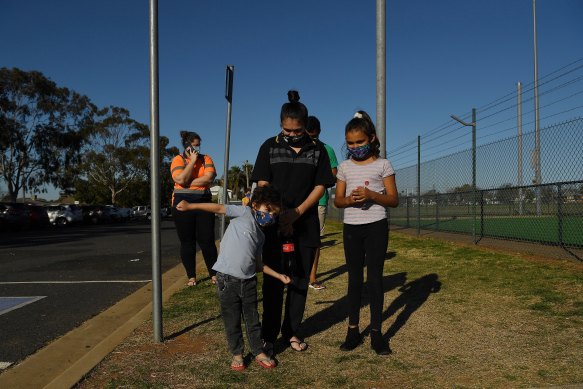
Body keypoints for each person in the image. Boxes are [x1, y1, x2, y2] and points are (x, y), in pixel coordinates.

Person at [251, 90, 335, 353]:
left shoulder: (317, 149)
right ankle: (268, 335)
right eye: (286, 130)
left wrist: (296, 213)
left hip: (305, 222)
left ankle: (292, 332)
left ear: (305, 126)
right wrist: (276, 214)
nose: (290, 135)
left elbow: (321, 187)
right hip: (274, 225)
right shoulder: (269, 146)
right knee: (274, 282)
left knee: (299, 281)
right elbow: (262, 184)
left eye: (296, 130)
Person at [177, 186, 291, 371]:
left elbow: (258, 265)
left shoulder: (261, 236)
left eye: (274, 214)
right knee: (232, 320)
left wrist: (279, 275)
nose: (270, 216)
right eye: (267, 210)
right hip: (226, 281)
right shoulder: (244, 212)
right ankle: (237, 354)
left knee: (252, 320)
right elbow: (218, 208)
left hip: (249, 282)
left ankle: (258, 351)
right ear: (255, 205)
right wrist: (191, 206)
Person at [333, 110, 399, 355]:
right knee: (354, 280)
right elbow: (337, 201)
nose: (355, 147)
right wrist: (350, 200)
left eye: (359, 142)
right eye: (350, 143)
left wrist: (372, 195)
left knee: (374, 280)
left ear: (371, 138)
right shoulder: (344, 167)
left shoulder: (383, 165)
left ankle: (376, 333)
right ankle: (352, 330)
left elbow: (394, 200)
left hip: (376, 226)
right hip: (351, 228)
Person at [170, 131, 218, 287]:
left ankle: (214, 274)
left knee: (207, 241)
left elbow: (209, 178)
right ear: (187, 146)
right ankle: (191, 277)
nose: (197, 148)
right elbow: (179, 178)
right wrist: (191, 162)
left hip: (204, 203)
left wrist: (187, 181)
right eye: (194, 145)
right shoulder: (177, 159)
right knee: (187, 242)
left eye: (198, 145)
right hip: (181, 205)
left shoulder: (207, 159)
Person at [305, 115, 338, 290]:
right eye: (309, 136)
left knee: (315, 240)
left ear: (319, 133)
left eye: (314, 136)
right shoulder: (298, 148)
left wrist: (319, 181)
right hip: (298, 201)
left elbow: (334, 173)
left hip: (319, 201)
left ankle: (312, 277)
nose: (312, 140)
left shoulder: (327, 149)